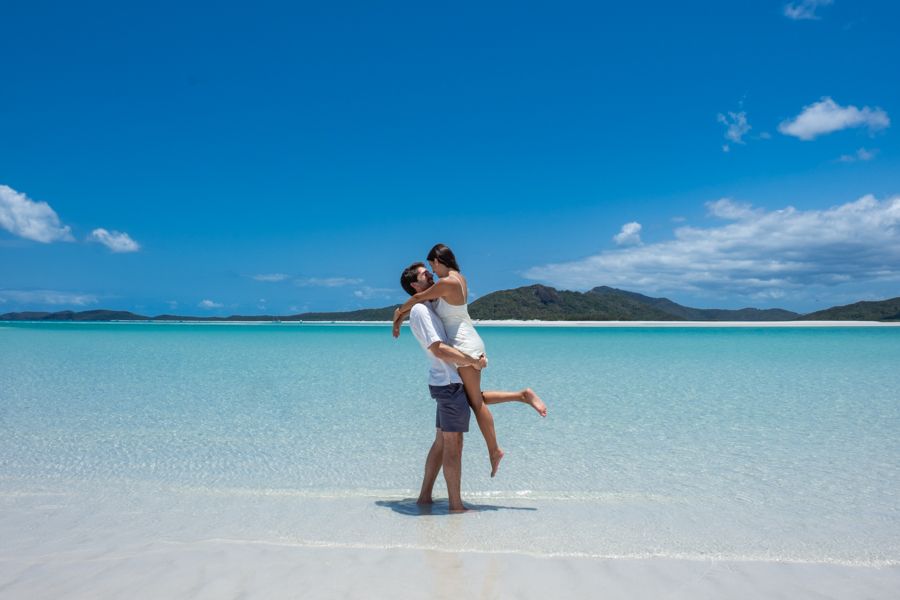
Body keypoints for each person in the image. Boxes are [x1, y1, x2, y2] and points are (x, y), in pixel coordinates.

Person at [396, 253, 547, 478]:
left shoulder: (446, 283)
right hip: (467, 343)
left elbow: (416, 299)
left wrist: (397, 315)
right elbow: (418, 300)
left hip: (464, 345)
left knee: (476, 403)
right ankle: (521, 396)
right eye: (425, 272)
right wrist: (399, 315)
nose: (431, 272)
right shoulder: (456, 280)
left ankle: (494, 450)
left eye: (431, 267)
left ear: (439, 261)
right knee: (472, 397)